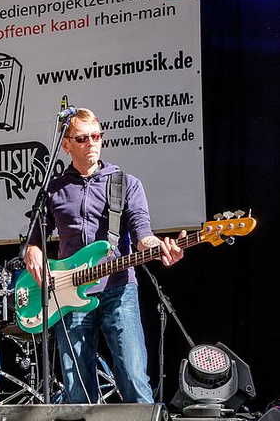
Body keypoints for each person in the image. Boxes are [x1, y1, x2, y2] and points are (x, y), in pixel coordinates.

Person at [24, 108, 184, 404]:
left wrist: (157, 247)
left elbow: (142, 234)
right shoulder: (54, 189)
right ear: (66, 145)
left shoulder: (125, 184)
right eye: (83, 138)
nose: (92, 143)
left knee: (133, 375)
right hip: (68, 294)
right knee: (76, 386)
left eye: (96, 136)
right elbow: (34, 238)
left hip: (118, 290)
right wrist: (32, 250)